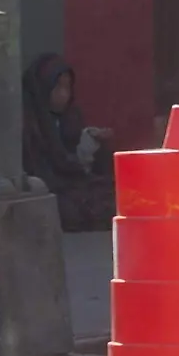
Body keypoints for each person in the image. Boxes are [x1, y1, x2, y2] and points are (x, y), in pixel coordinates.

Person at [22, 53, 116, 233]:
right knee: (64, 209)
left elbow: (78, 163)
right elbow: (42, 170)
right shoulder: (30, 123)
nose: (63, 94)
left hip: (75, 184)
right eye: (57, 88)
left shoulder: (71, 116)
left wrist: (90, 143)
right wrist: (75, 163)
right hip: (52, 189)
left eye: (67, 87)